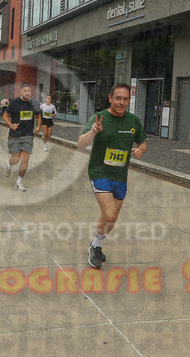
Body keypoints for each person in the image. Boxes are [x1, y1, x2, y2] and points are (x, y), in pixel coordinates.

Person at [77, 83, 147, 269]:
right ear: (110, 98)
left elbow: (143, 143)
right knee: (109, 213)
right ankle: (96, 247)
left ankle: (96, 244)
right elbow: (81, 143)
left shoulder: (133, 121)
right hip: (100, 172)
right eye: (118, 98)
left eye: (125, 99)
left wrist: (141, 149)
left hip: (120, 176)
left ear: (129, 100)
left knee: (112, 218)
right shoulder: (99, 118)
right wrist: (94, 131)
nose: (121, 102)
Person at [3, 82, 42, 191]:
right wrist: (11, 125)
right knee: (15, 159)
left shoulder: (35, 103)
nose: (27, 93)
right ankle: (9, 164)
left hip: (28, 135)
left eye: (29, 91)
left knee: (25, 160)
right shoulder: (14, 103)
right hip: (15, 135)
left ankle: (19, 182)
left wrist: (38, 126)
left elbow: (38, 116)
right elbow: (5, 115)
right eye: (25, 91)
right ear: (21, 91)